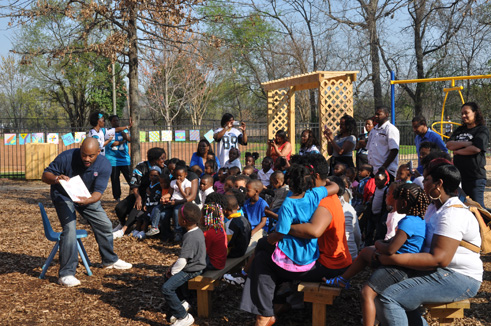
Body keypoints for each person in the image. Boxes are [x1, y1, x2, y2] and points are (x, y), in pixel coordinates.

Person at [240, 154, 350, 326]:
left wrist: (283, 227)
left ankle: (266, 312)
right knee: (264, 252)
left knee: (262, 258)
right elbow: (335, 186)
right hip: (317, 256)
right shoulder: (317, 194)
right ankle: (271, 306)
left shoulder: (322, 200)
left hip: (326, 263)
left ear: (315, 176)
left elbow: (313, 231)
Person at [374, 159, 482, 326]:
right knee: (390, 290)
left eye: (426, 180)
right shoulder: (434, 208)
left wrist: (390, 258)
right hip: (441, 271)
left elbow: (439, 259)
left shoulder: (452, 213)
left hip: (460, 277)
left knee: (389, 299)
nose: (422, 183)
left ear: (439, 184)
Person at [324, 183, 428, 326]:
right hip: (399, 263)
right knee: (366, 252)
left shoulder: (407, 222)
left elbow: (391, 248)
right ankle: (343, 279)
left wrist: (378, 244)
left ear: (403, 203)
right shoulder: (418, 220)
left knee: (366, 293)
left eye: (396, 198)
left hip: (397, 267)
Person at [42, 138, 132, 287]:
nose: (87, 159)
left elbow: (98, 193)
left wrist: (87, 201)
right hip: (63, 196)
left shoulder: (104, 165)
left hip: (86, 197)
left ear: (98, 152)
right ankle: (66, 274)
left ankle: (109, 260)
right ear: (80, 149)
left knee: (105, 224)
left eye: (91, 156)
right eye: (84, 155)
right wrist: (57, 178)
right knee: (70, 229)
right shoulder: (66, 157)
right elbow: (45, 176)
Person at [161, 203, 206, 326]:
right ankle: (182, 303)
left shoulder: (190, 236)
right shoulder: (197, 231)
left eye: (179, 217)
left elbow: (183, 261)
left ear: (184, 222)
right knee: (167, 279)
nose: (177, 219)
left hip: (192, 269)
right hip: (195, 265)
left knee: (167, 288)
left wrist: (173, 272)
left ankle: (184, 317)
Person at [114, 147, 167, 231]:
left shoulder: (165, 169)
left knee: (137, 209)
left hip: (155, 197)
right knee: (119, 208)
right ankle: (122, 224)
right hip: (140, 194)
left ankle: (124, 229)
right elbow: (134, 185)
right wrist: (138, 197)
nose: (164, 160)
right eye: (162, 158)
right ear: (154, 160)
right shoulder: (141, 167)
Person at [447, 102, 489, 208]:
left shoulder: (481, 130)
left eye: (466, 113)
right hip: (459, 177)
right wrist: (467, 143)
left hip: (475, 177)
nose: (463, 116)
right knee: (463, 206)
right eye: (462, 113)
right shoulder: (460, 129)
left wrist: (458, 151)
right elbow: (449, 144)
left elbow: (476, 149)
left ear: (475, 113)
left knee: (478, 207)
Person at [113, 166, 163, 239]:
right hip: (148, 205)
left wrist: (151, 193)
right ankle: (137, 229)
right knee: (139, 215)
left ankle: (143, 231)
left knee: (146, 217)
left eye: (155, 176)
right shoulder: (149, 185)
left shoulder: (159, 186)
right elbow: (147, 197)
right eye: (151, 175)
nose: (153, 177)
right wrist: (145, 204)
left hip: (154, 206)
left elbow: (157, 197)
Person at [328, 176, 361, 260]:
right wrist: (355, 250)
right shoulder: (349, 208)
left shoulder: (326, 207)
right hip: (352, 255)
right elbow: (357, 235)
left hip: (334, 257)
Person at [366, 106, 399, 181]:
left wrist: (384, 167)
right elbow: (369, 148)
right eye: (375, 114)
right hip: (373, 170)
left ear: (386, 114)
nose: (376, 116)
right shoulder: (373, 130)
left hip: (385, 171)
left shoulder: (391, 129)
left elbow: (394, 150)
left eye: (379, 114)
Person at [105, 114, 131, 201]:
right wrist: (123, 140)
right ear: (111, 122)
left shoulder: (124, 131)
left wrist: (125, 136)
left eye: (117, 120)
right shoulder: (108, 132)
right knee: (115, 179)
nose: (116, 122)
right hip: (113, 160)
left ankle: (133, 194)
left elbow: (130, 139)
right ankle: (117, 197)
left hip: (125, 160)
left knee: (130, 178)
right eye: (114, 121)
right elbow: (113, 143)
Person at [201, 203, 228, 271]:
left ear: (206, 218)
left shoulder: (208, 233)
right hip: (221, 262)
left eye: (201, 215)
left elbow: (203, 252)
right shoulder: (220, 228)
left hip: (214, 264)